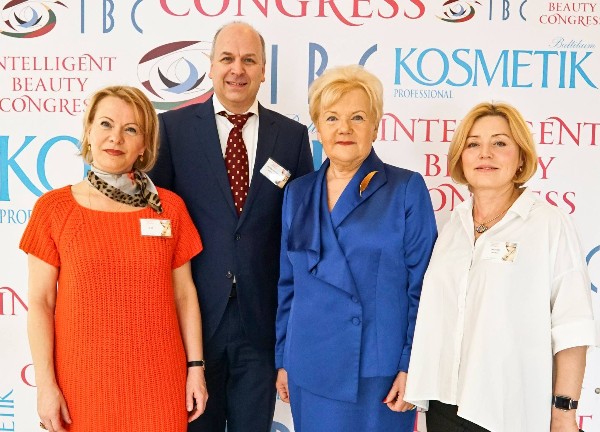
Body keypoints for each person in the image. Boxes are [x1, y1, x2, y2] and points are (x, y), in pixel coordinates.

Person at [149, 22, 313, 432]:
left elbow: (302, 232)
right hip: (193, 321)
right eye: (227, 58)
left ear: (263, 71)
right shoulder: (172, 130)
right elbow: (156, 223)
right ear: (210, 66)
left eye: (249, 60)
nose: (237, 69)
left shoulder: (292, 137)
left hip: (261, 322)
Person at [21, 85, 208, 432]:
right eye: (106, 124)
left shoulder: (169, 208)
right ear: (89, 131)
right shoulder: (53, 210)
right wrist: (45, 386)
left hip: (160, 384)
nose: (116, 138)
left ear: (144, 145)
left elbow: (184, 295)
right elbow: (41, 304)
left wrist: (196, 368)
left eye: (131, 129)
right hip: (82, 387)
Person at [404, 102, 597, 431]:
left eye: (500, 143)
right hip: (443, 406)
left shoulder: (548, 224)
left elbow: (572, 326)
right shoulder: (453, 226)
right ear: (460, 158)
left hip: (510, 411)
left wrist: (564, 412)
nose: (485, 153)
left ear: (521, 157)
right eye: (473, 144)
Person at [274, 65, 437, 432]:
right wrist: (283, 357)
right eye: (332, 118)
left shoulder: (405, 189)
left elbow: (424, 288)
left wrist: (412, 365)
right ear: (318, 128)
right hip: (309, 367)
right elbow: (288, 285)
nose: (344, 128)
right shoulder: (297, 193)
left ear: (376, 127)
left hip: (378, 373)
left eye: (357, 117)